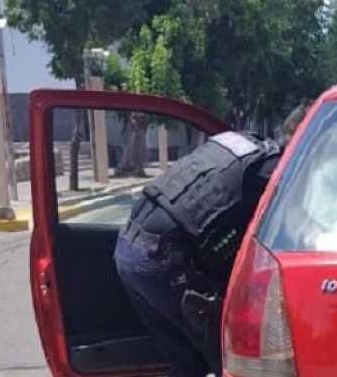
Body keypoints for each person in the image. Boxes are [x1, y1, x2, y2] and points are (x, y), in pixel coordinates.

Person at [114, 102, 310, 377]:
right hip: (164, 257)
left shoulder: (241, 142)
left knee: (186, 365)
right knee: (234, 361)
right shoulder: (274, 173)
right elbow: (284, 242)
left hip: (129, 246)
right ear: (304, 140)